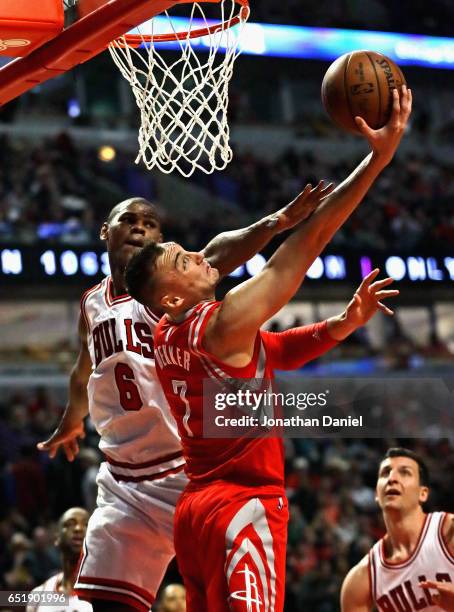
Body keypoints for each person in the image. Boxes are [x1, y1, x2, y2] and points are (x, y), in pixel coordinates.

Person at [124, 84, 411, 612]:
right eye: (184, 260)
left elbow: (270, 350)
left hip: (196, 512)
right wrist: (378, 158)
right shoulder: (221, 324)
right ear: (171, 293)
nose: (198, 255)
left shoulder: (165, 331)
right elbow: (309, 244)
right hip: (242, 506)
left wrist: (342, 323)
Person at [37, 185, 333, 611]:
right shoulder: (91, 304)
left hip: (187, 471)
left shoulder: (169, 294)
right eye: (129, 220)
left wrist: (274, 224)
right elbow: (86, 368)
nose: (139, 227)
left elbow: (217, 256)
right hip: (123, 482)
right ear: (105, 231)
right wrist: (71, 420)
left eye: (150, 222)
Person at [341, 448, 454, 612]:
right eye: (385, 473)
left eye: (405, 473)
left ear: (422, 493)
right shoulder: (361, 579)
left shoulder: (448, 531)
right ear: (377, 494)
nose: (392, 478)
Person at [26, 507, 91, 612]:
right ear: (57, 538)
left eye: (86, 525)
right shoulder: (38, 596)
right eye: (70, 524)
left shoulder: (107, 591)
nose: (78, 528)